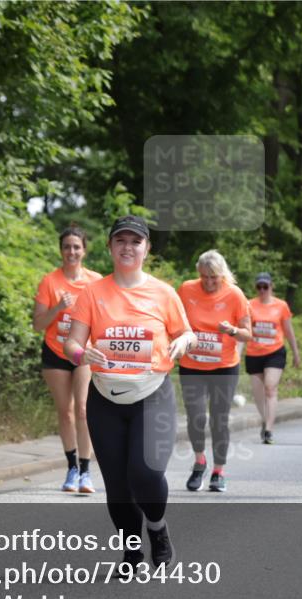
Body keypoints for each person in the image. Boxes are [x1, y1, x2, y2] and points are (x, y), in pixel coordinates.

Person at [64, 215, 195, 570]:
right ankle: (132, 550)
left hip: (153, 394)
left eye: (135, 241)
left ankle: (157, 528)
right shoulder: (92, 293)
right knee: (119, 488)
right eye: (120, 240)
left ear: (146, 249)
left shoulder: (163, 293)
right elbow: (71, 344)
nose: (127, 247)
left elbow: (186, 332)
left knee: (146, 473)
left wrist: (183, 340)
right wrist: (81, 353)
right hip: (105, 397)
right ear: (109, 247)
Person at [33, 227, 102, 493]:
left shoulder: (95, 282)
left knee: (84, 409)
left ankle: (86, 471)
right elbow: (37, 325)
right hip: (55, 352)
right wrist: (59, 308)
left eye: (76, 247)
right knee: (66, 412)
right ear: (61, 250)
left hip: (84, 353)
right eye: (67, 247)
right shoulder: (49, 282)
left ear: (84, 250)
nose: (71, 252)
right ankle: (71, 468)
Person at [179, 250, 252, 492]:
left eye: (214, 278)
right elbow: (175, 322)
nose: (209, 283)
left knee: (219, 420)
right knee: (196, 417)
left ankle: (218, 471)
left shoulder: (234, 295)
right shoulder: (187, 290)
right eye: (204, 277)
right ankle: (200, 462)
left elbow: (247, 333)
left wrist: (231, 330)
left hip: (224, 367)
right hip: (192, 366)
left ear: (222, 275)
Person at [245, 272, 300, 444]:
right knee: (258, 394)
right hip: (253, 353)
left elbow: (289, 332)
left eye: (265, 287)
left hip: (275, 352)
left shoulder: (281, 306)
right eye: (259, 287)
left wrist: (296, 353)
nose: (262, 290)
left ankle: (269, 429)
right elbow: (244, 330)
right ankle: (265, 419)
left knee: (270, 387)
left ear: (271, 287)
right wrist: (235, 352)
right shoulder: (249, 305)